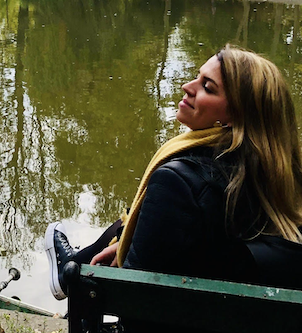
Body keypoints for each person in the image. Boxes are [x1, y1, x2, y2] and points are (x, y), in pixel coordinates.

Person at [46, 44, 302, 306]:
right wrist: (134, 244)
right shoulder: (276, 181)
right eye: (197, 77)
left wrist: (126, 255)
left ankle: (68, 272)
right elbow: (220, 261)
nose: (187, 87)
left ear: (235, 116)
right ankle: (72, 266)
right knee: (123, 230)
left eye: (207, 87)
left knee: (105, 248)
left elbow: (133, 296)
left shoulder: (177, 183)